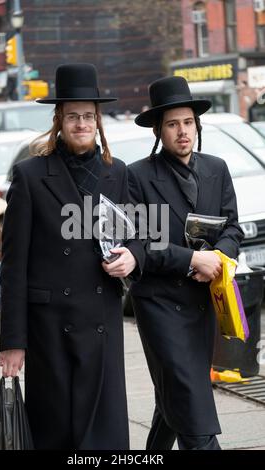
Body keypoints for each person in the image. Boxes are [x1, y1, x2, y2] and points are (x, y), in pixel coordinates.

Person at [0, 63, 144, 450]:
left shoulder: (118, 173)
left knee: (105, 438)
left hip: (102, 324)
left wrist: (132, 257)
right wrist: (13, 340)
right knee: (57, 435)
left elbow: (137, 237)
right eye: (73, 115)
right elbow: (12, 266)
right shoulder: (30, 176)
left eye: (89, 116)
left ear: (98, 121)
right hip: (50, 332)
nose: (82, 123)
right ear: (59, 119)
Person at [127, 76, 244, 450]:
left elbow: (233, 228)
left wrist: (219, 257)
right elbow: (138, 244)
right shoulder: (137, 176)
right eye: (173, 124)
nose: (182, 131)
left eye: (188, 122)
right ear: (159, 130)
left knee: (177, 393)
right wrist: (192, 257)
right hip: (159, 303)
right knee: (189, 394)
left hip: (202, 303)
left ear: (198, 125)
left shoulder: (217, 168)